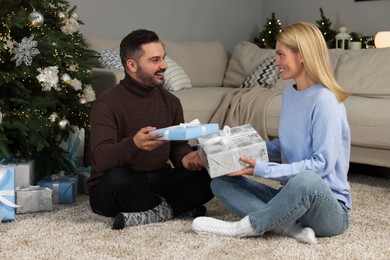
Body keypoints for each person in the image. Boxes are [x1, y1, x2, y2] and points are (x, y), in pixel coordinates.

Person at [192, 22, 351, 244]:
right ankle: (289, 228)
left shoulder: (326, 101)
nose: (276, 62)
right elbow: (285, 144)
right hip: (291, 199)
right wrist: (239, 149)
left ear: (302, 55)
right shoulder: (290, 94)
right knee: (220, 182)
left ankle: (245, 227)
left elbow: (322, 165)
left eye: (280, 55)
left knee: (306, 180)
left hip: (328, 207)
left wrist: (262, 169)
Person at [87, 29, 214, 230]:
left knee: (212, 174)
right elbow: (100, 158)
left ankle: (152, 212)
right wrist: (133, 145)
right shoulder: (107, 104)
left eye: (163, 58)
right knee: (119, 178)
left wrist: (185, 158)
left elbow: (178, 146)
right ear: (132, 65)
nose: (164, 65)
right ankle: (178, 209)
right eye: (155, 60)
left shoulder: (171, 102)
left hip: (157, 179)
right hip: (118, 185)